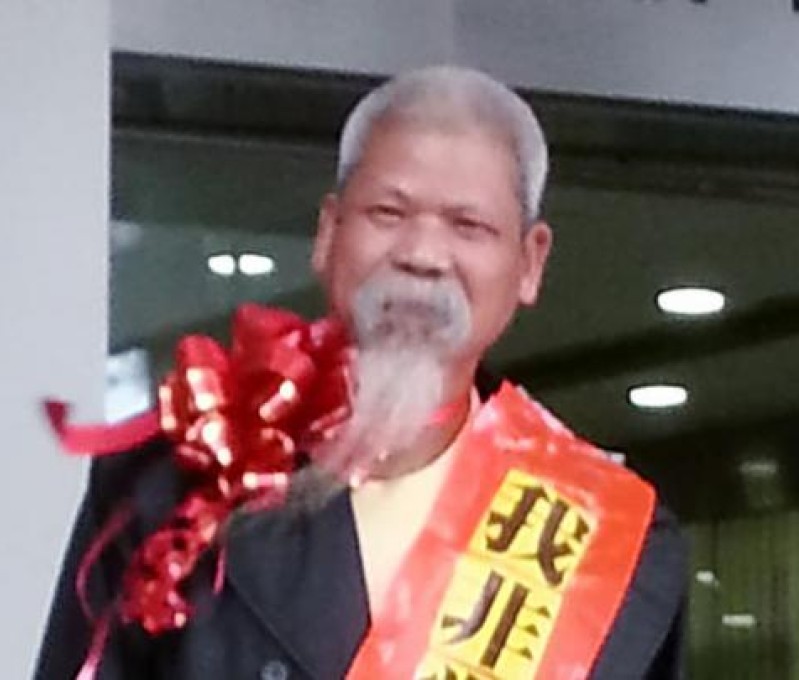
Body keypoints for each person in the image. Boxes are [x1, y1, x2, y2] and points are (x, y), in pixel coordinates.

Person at [35, 65, 686, 680]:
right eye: (389, 214)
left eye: (469, 226)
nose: (424, 255)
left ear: (529, 263)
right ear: (328, 231)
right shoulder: (173, 484)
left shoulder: (606, 536)